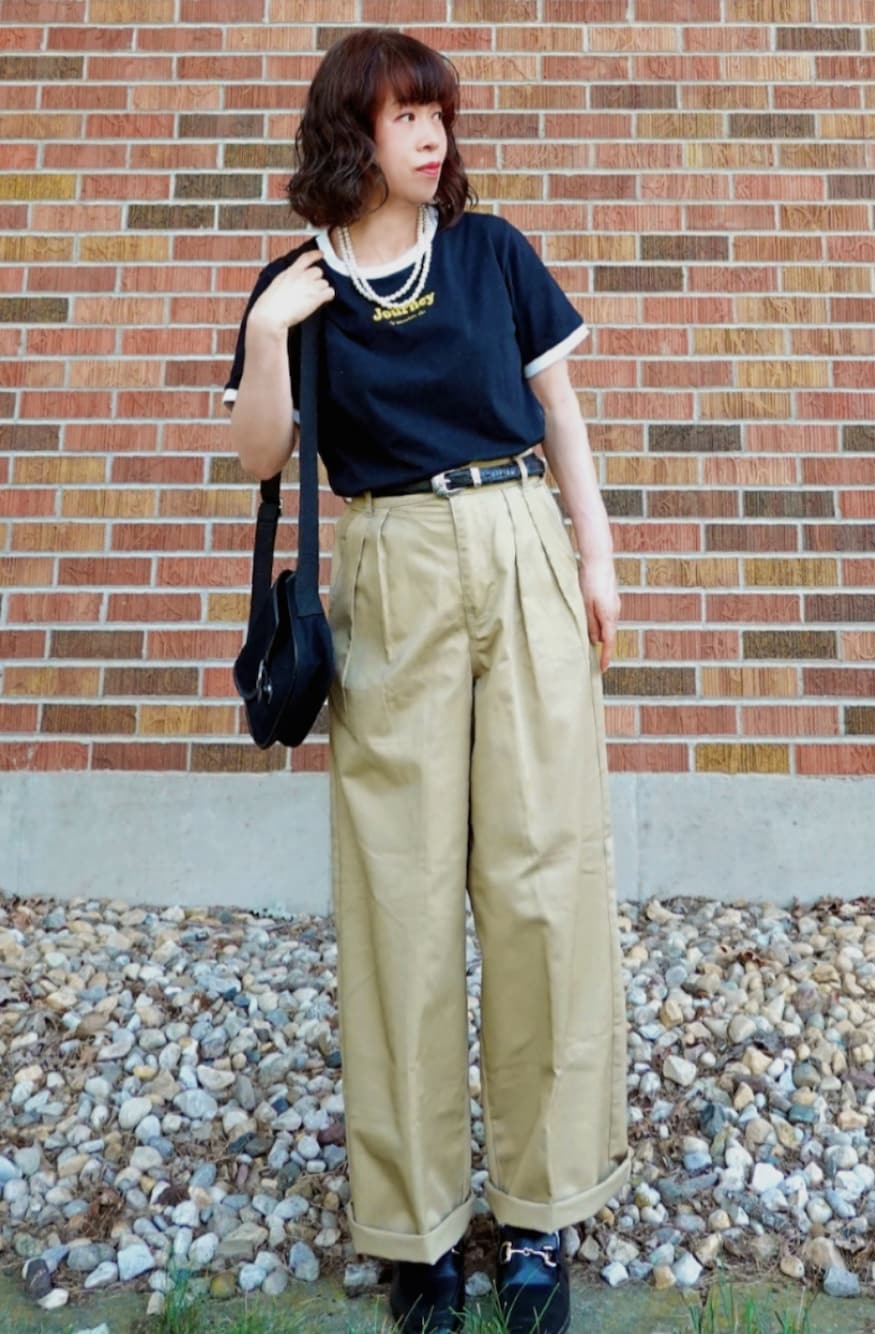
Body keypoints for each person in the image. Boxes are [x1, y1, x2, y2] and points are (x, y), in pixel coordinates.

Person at [223, 27, 632, 1334]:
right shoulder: (298, 285)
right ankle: (421, 1234)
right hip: (391, 561)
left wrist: (596, 562)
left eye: (438, 113)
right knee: (398, 892)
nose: (432, 134)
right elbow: (262, 457)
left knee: (541, 878)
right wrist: (272, 334)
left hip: (520, 543)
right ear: (354, 131)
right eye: (406, 114)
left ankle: (541, 1214)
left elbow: (561, 413)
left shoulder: (492, 252)